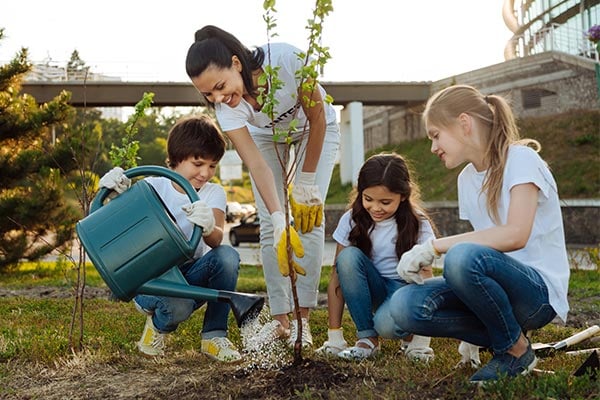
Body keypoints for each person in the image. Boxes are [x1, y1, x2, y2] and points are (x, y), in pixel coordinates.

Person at [389, 84, 570, 384]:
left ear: (464, 123)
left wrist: (434, 247)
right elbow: (484, 247)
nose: (433, 147)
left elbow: (515, 235)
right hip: (499, 287)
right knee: (404, 305)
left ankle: (514, 351)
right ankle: (503, 336)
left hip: (537, 294)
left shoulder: (521, 159)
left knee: (460, 256)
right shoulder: (466, 180)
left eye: (435, 135)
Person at [185, 25, 340, 348]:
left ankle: (303, 320)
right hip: (266, 139)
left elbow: (318, 120)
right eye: (208, 95)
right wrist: (280, 217)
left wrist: (306, 184)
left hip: (314, 130)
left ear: (236, 64)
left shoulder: (287, 59)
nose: (218, 98)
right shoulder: (226, 108)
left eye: (220, 86)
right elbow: (256, 164)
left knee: (310, 218)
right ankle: (282, 320)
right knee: (272, 224)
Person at [99, 115, 242, 363]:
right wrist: (115, 194)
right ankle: (157, 326)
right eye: (198, 164)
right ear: (176, 159)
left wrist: (208, 226)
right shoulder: (153, 186)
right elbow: (120, 229)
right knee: (178, 307)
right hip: (153, 278)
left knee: (228, 256)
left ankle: (214, 336)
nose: (205, 173)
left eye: (212, 166)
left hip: (190, 275)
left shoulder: (212, 193)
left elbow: (217, 238)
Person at [320, 153, 437, 360]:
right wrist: (334, 337)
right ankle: (367, 339)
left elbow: (426, 279)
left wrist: (421, 343)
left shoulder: (418, 223)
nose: (375, 208)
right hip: (373, 289)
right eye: (368, 199)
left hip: (405, 291)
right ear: (360, 193)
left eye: (385, 202)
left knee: (386, 326)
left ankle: (410, 335)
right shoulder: (352, 220)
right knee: (346, 258)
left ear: (403, 196)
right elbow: (336, 277)